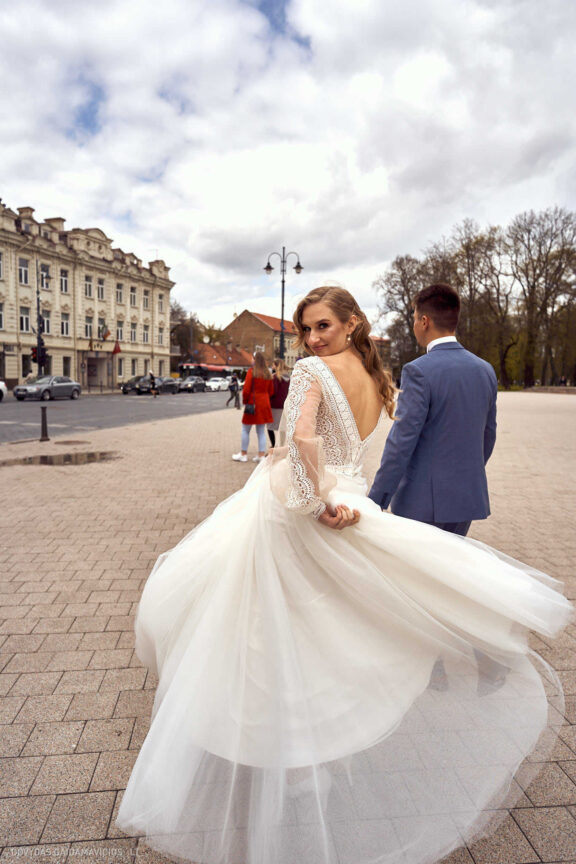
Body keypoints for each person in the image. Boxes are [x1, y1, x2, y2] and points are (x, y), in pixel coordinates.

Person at [117, 286, 571, 864]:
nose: (311, 339)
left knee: (270, 627)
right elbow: (365, 443)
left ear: (352, 323)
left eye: (323, 325)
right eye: (307, 329)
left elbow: (303, 437)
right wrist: (347, 496)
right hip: (353, 497)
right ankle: (323, 750)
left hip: (306, 509)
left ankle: (289, 754)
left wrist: (311, 502)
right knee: (328, 627)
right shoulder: (376, 377)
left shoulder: (311, 371)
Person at [369, 283, 497, 537]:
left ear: (424, 321)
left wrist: (377, 499)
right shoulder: (485, 370)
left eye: (415, 318)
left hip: (423, 501)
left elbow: (401, 441)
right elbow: (488, 434)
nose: (414, 325)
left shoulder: (418, 371)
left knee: (416, 575)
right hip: (466, 497)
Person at [232, 351, 274, 463]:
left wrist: (245, 402)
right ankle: (261, 455)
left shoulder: (251, 372)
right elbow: (271, 391)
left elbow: (246, 390)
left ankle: (243, 454)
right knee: (261, 431)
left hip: (253, 403)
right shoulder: (268, 373)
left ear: (255, 359)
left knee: (245, 429)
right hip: (264, 404)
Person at [268, 358, 291, 448]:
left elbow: (273, 391)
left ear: (276, 366)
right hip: (283, 405)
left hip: (274, 405)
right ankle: (281, 445)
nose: (272, 366)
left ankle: (273, 446)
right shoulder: (288, 378)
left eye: (273, 365)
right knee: (282, 427)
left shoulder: (275, 377)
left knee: (270, 427)